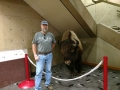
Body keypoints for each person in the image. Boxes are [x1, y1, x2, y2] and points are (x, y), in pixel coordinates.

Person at [32, 20, 56, 90]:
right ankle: (37, 88)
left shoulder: (51, 35)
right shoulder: (37, 35)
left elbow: (54, 43)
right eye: (43, 25)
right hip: (40, 56)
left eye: (46, 25)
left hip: (49, 55)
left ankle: (47, 84)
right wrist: (35, 55)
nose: (44, 26)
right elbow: (33, 45)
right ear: (41, 26)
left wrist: (50, 49)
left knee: (48, 70)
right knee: (39, 72)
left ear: (47, 26)